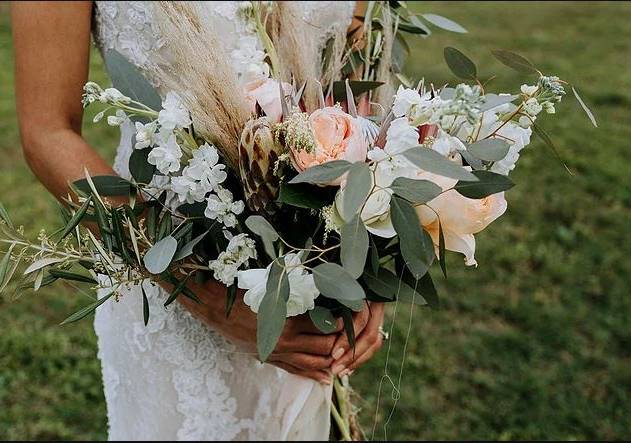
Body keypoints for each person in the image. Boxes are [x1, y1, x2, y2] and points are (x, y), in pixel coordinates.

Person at [11, 1, 385, 440]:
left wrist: (367, 267)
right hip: (173, 276)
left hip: (317, 279)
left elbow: (354, 74)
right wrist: (201, 293)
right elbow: (48, 131)